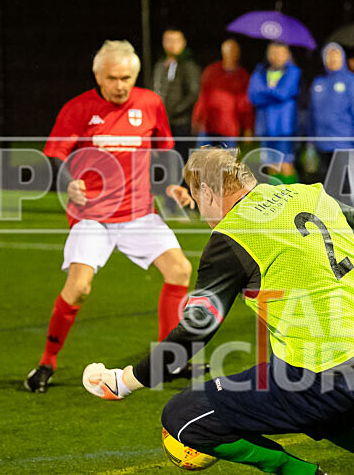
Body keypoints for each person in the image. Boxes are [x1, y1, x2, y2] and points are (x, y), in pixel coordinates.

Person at [82, 147, 354, 475]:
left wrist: (124, 381)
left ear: (209, 192)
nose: (198, 210)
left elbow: (196, 331)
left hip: (331, 374)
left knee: (182, 416)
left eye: (197, 198)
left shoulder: (231, 238)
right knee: (325, 411)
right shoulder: (309, 194)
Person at [25, 40, 195, 393]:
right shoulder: (78, 108)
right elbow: (55, 155)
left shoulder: (150, 103)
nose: (120, 85)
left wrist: (174, 186)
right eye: (113, 78)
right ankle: (46, 362)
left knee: (180, 269)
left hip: (138, 213)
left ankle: (170, 361)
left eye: (127, 78)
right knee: (79, 288)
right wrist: (67, 182)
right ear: (98, 76)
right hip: (93, 217)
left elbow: (164, 151)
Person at [307, 43, 354, 204]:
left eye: (336, 55)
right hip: (322, 141)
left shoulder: (350, 81)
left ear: (342, 58)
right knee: (326, 183)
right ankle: (330, 215)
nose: (332, 59)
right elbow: (312, 113)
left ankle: (349, 214)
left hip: (343, 141)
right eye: (329, 55)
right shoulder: (319, 82)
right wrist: (311, 139)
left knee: (344, 183)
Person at [248, 42, 301, 183]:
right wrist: (273, 92)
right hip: (265, 127)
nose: (276, 56)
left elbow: (283, 93)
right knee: (271, 165)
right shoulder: (260, 72)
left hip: (284, 128)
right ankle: (276, 194)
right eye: (273, 52)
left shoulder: (293, 72)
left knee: (285, 164)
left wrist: (265, 91)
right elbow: (253, 96)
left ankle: (292, 194)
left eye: (279, 53)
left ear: (287, 55)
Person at [192, 39, 254, 148]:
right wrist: (196, 119)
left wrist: (248, 128)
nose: (230, 54)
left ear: (238, 54)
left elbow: (245, 105)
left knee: (227, 158)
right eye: (227, 50)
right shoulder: (211, 71)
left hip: (229, 128)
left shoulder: (243, 76)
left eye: (233, 51)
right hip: (207, 126)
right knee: (202, 158)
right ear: (222, 52)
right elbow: (203, 97)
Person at [152, 29, 201, 162]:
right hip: (162, 122)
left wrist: (175, 111)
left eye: (175, 40)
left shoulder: (188, 65)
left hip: (181, 123)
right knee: (164, 159)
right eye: (168, 40)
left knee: (181, 159)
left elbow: (193, 93)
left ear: (183, 43)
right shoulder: (160, 64)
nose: (171, 44)